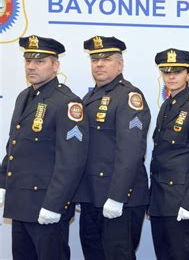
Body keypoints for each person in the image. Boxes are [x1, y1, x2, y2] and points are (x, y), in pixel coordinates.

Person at [0, 35, 88, 259]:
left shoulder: (67, 102)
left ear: (55, 65)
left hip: (46, 207)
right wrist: (3, 183)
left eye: (40, 61)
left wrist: (55, 204)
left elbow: (72, 161)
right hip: (20, 203)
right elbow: (15, 145)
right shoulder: (24, 97)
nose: (31, 66)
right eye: (28, 60)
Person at [74, 36, 151, 260]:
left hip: (120, 200)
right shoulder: (88, 97)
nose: (99, 64)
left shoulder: (128, 97)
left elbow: (131, 152)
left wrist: (117, 197)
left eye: (106, 59)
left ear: (120, 64)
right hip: (92, 197)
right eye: (94, 59)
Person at [149, 48, 189, 260]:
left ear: (188, 74)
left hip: (180, 202)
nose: (171, 76)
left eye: (177, 71)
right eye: (166, 71)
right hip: (160, 200)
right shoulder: (167, 106)